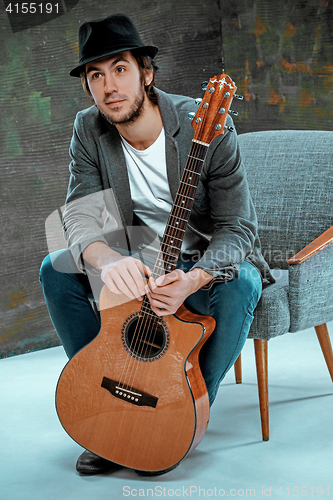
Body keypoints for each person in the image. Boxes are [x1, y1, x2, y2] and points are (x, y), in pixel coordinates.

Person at [39, 13, 273, 476]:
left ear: (146, 72)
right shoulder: (88, 128)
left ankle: (176, 415)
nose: (109, 86)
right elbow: (81, 217)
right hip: (138, 257)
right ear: (88, 86)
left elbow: (238, 227)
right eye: (96, 75)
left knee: (242, 281)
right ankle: (106, 406)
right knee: (55, 267)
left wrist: (194, 278)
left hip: (198, 262)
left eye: (120, 69)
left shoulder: (206, 124)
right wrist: (105, 260)